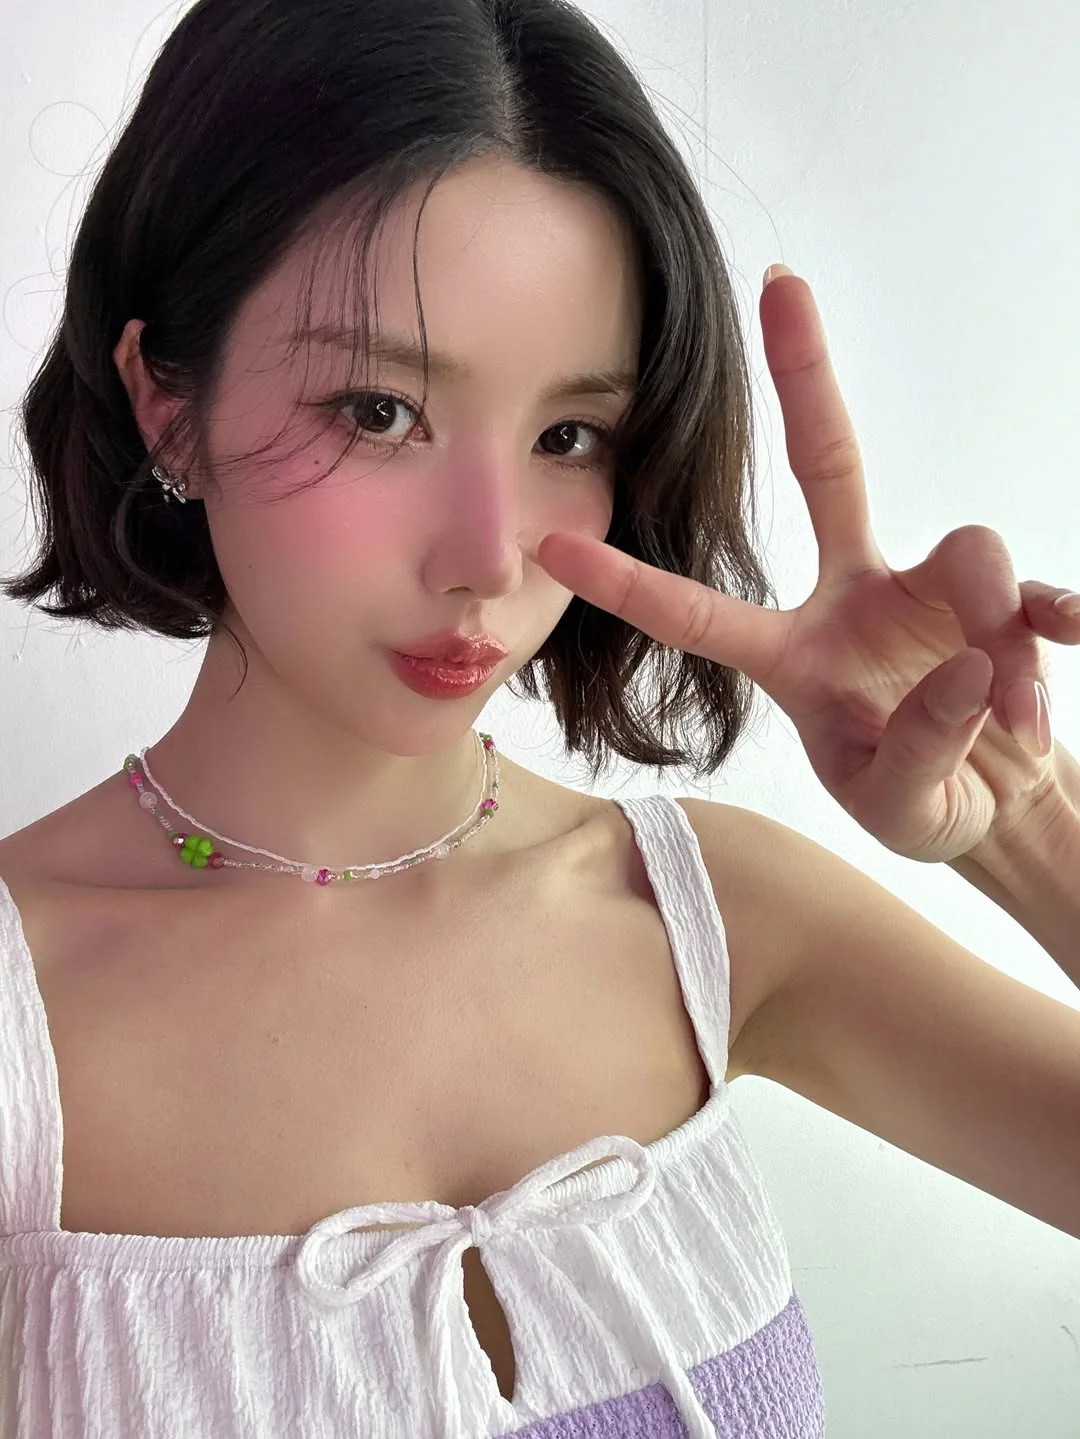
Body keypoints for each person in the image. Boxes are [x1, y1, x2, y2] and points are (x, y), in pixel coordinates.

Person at [1, 1, 1078, 1436]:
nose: (488, 556)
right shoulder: (25, 1018)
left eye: (570, 436)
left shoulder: (700, 912)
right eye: (379, 411)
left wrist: (1028, 823)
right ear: (164, 403)